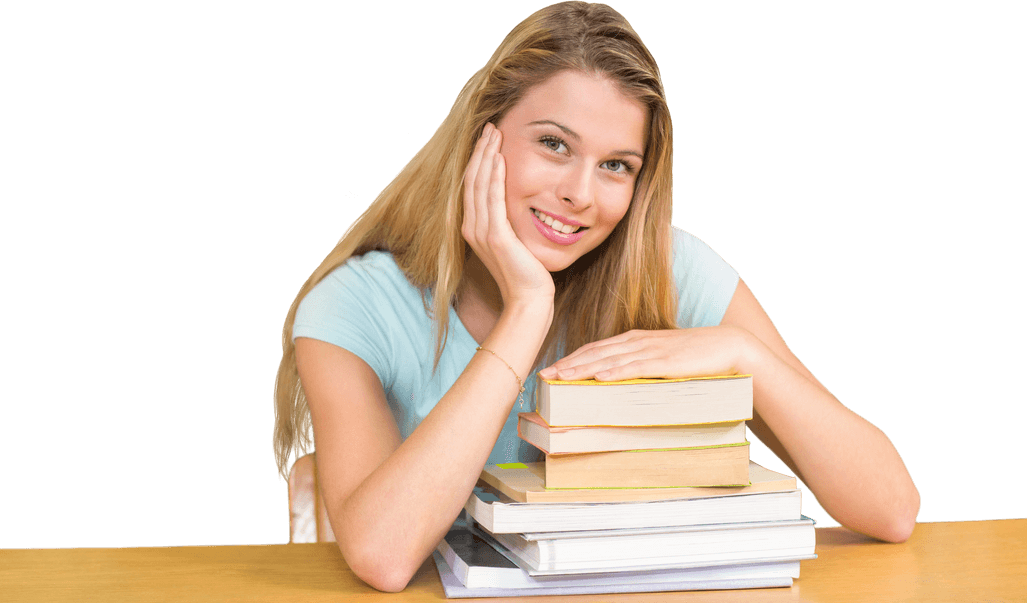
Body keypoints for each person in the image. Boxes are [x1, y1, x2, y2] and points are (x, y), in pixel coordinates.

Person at [272, 1, 919, 592]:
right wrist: (527, 311)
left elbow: (890, 507)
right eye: (554, 144)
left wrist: (744, 354)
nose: (580, 194)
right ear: (481, 135)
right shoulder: (352, 307)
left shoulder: (671, 270)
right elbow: (383, 556)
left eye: (616, 166)